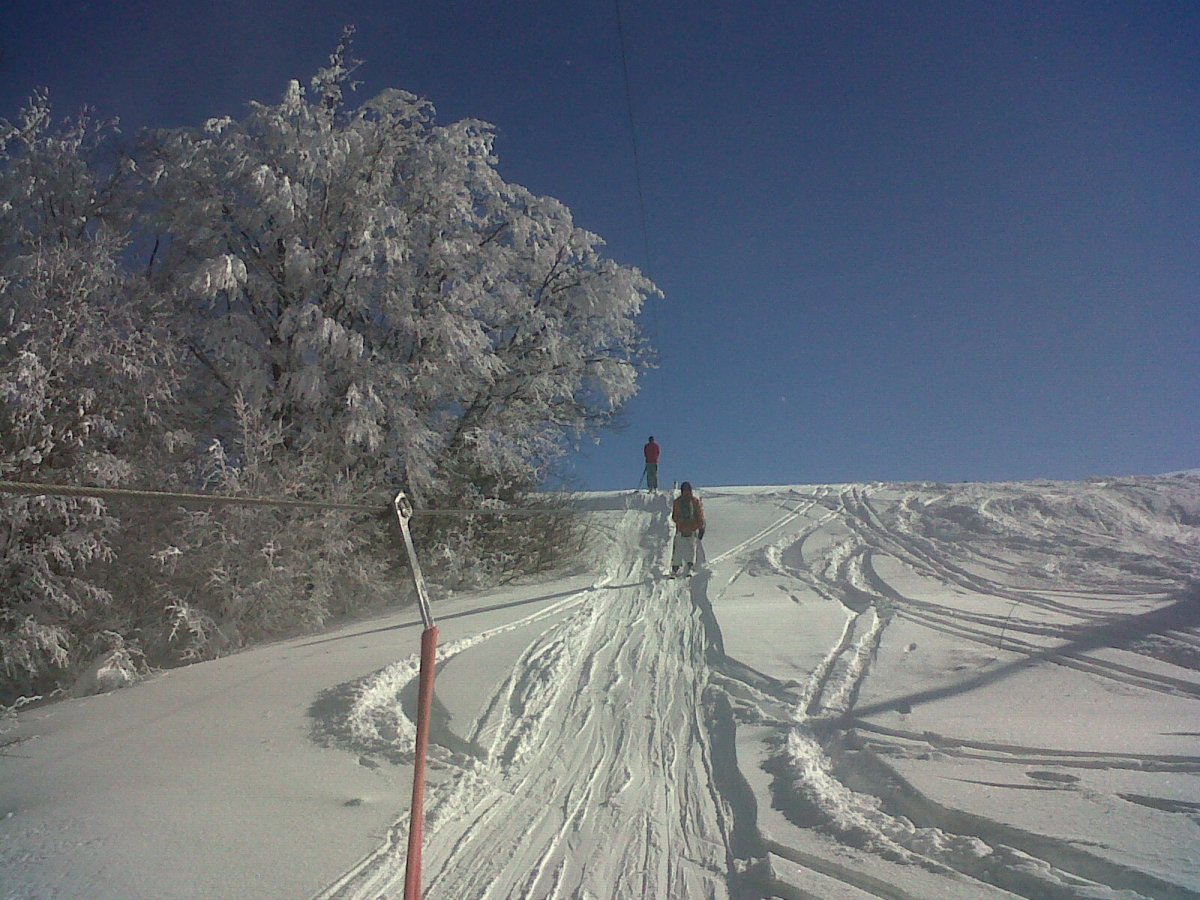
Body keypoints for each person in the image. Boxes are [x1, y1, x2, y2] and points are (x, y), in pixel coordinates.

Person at [670, 481, 706, 575]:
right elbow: (700, 516)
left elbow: (674, 517)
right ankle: (689, 568)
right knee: (691, 550)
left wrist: (680, 523)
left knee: (678, 550)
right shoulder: (695, 501)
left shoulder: (677, 502)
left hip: (681, 530)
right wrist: (700, 527)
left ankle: (675, 569)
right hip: (692, 529)